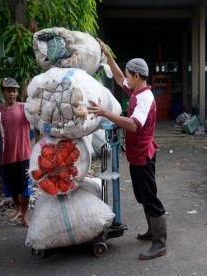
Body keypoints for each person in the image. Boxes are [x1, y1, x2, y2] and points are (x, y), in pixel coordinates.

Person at [88, 38, 167, 260]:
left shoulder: (144, 98)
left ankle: (160, 244)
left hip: (143, 156)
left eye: (129, 74)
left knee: (150, 198)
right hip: (136, 156)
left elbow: (133, 124)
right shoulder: (135, 91)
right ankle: (152, 231)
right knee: (142, 196)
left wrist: (105, 113)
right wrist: (107, 55)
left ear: (138, 76)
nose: (126, 78)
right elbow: (118, 77)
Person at [0, 77, 32, 227]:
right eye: (9, 91)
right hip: (6, 157)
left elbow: (39, 117)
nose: (12, 94)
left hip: (24, 156)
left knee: (26, 188)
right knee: (11, 188)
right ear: (3, 92)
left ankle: (24, 215)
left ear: (17, 93)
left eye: (15, 91)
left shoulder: (25, 108)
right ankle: (18, 208)